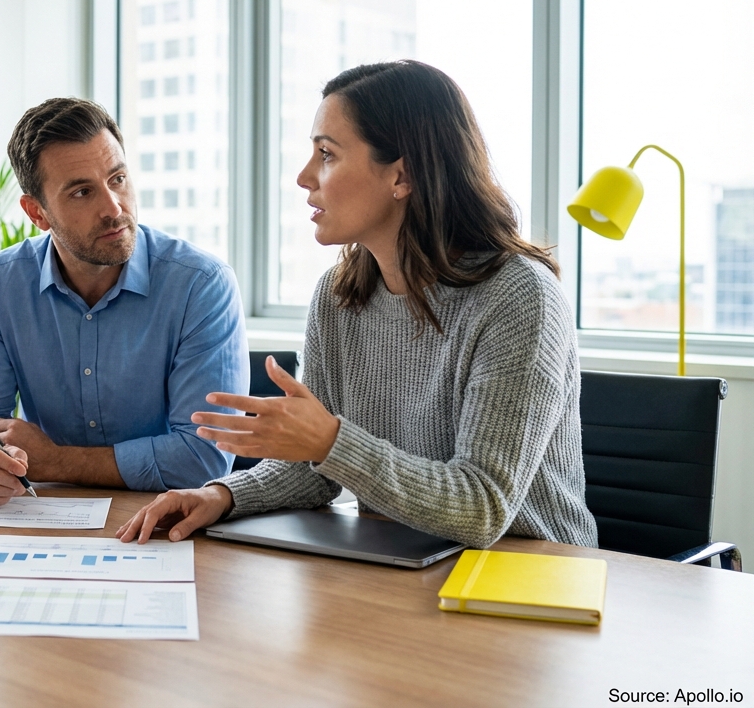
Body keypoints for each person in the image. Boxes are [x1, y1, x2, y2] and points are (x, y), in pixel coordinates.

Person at [119, 61, 598, 549]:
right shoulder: (338, 296)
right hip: (406, 559)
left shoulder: (519, 297)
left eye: (327, 154)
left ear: (402, 176)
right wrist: (221, 495)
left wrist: (330, 440)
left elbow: (481, 507)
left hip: (534, 576)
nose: (305, 177)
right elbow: (315, 473)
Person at [0, 98, 247, 506]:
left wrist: (57, 463)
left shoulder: (201, 284)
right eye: (83, 192)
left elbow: (204, 457)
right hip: (45, 522)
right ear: (37, 212)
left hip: (170, 526)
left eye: (118, 179)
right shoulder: (0, 284)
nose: (113, 208)